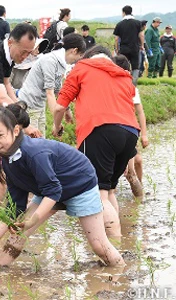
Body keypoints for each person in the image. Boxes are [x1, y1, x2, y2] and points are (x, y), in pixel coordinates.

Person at [0, 106, 125, 268]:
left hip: (79, 185)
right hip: (50, 188)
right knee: (17, 235)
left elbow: (53, 192)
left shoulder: (34, 153)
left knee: (99, 245)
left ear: (15, 131)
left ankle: (120, 272)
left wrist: (32, 221)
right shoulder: (8, 160)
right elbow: (14, 207)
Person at [53, 45, 140, 238]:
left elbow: (59, 107)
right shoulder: (124, 75)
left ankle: (113, 247)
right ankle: (117, 241)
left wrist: (55, 127)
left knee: (99, 192)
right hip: (130, 133)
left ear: (87, 58)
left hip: (99, 130)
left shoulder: (81, 69)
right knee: (109, 191)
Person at [17, 33, 86, 137]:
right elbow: (50, 92)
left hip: (39, 104)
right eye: (80, 56)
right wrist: (56, 122)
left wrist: (67, 110)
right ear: (74, 50)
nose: (77, 60)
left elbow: (58, 89)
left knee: (40, 139)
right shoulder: (50, 60)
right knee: (32, 141)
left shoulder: (61, 62)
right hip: (29, 104)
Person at [113, 55, 149, 197]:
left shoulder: (131, 88)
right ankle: (111, 194)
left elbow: (140, 113)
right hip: (114, 132)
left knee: (136, 163)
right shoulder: (108, 88)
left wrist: (144, 135)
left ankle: (139, 196)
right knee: (116, 168)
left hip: (128, 130)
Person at [113, 5, 145, 85]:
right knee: (135, 67)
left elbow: (116, 39)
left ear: (123, 12)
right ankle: (133, 85)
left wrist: (117, 49)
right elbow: (141, 35)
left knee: (123, 66)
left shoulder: (120, 24)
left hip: (124, 49)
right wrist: (142, 46)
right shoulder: (138, 23)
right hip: (134, 48)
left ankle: (123, 83)